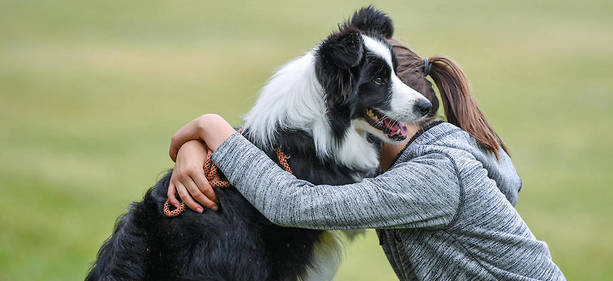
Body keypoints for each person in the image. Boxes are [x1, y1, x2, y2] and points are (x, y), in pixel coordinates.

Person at [166, 39, 566, 280]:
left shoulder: (435, 176)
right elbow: (287, 153)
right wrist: (196, 148)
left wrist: (209, 125)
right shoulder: (402, 160)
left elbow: (292, 203)